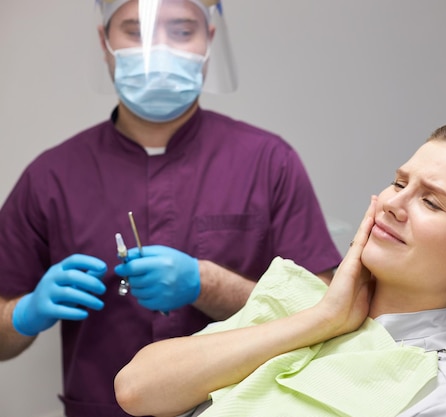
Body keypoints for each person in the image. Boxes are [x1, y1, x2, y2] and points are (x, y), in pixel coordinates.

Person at [0, 1, 341, 416]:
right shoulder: (51, 176)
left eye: (181, 31)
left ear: (208, 40)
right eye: (135, 31)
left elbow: (327, 312)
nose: (157, 51)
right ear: (104, 43)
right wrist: (24, 313)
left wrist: (208, 285)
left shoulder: (269, 161)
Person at [114, 122, 446, 417]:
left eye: (431, 202)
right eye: (399, 182)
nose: (394, 204)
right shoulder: (295, 300)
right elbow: (136, 390)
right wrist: (320, 321)